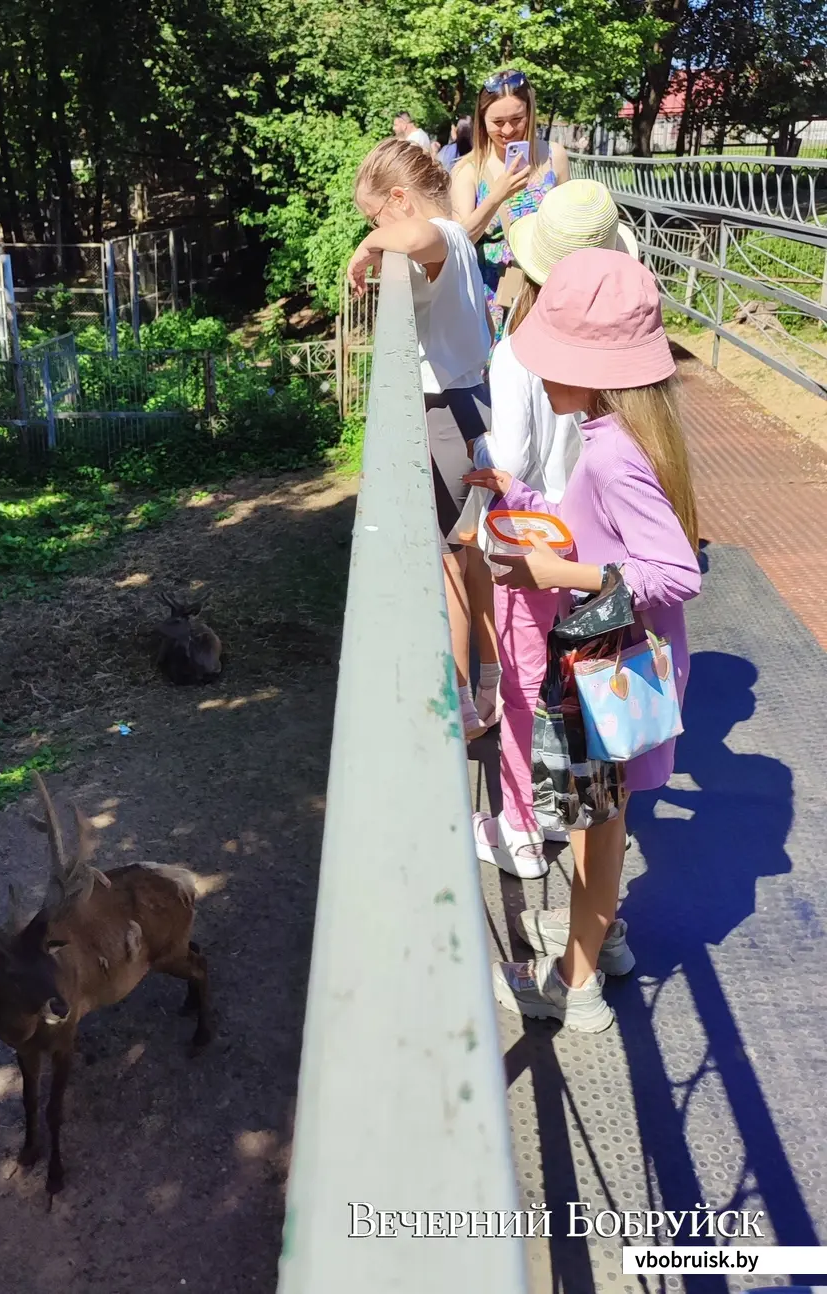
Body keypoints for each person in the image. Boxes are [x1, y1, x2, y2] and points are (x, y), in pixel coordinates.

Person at [467, 248, 701, 1032]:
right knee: (606, 821)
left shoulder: (610, 453)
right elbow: (603, 536)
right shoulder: (626, 435)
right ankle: (607, 937)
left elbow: (673, 572)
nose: (538, 372)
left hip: (607, 677)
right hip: (629, 670)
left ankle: (574, 985)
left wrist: (550, 572)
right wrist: (521, 494)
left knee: (596, 831)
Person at [463, 180, 640, 879]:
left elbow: (507, 460)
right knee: (582, 680)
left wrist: (477, 456)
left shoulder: (517, 355)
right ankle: (580, 817)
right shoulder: (617, 352)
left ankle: (522, 828)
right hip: (598, 540)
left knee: (524, 681)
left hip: (539, 539)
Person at [348, 137, 495, 740]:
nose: (373, 228)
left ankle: (461, 697)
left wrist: (367, 247)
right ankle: (487, 686)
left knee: (451, 566)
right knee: (475, 560)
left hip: (445, 417)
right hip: (472, 407)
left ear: (401, 199)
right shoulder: (460, 236)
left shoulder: (437, 235)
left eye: (374, 214)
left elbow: (411, 238)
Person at [451, 69, 569, 343]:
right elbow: (459, 240)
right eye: (497, 121)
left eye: (517, 119)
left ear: (530, 112)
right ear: (482, 120)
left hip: (546, 293)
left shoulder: (554, 157)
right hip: (492, 302)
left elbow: (568, 224)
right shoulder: (468, 170)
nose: (507, 130)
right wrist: (496, 196)